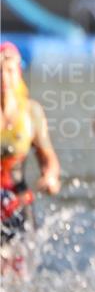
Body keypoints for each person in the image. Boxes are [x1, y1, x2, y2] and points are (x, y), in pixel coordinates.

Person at [1, 41, 61, 273]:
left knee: (17, 275)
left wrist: (50, 177)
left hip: (18, 205)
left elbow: (49, 159)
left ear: (19, 73)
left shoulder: (31, 113)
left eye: (9, 71)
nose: (3, 78)